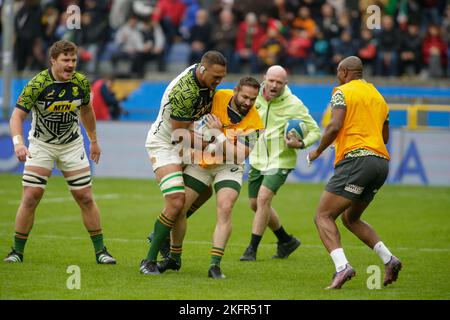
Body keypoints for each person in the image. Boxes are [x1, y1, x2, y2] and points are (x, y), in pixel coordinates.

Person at [4, 40, 116, 265]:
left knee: (84, 196)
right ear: (53, 61)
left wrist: (93, 140)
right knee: (31, 196)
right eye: (66, 60)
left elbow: (86, 111)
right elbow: (17, 117)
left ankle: (101, 251)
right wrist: (18, 143)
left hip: (72, 145)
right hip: (41, 145)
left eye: (73, 60)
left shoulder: (81, 83)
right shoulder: (37, 84)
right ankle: (16, 251)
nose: (71, 65)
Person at [307, 56, 402, 289]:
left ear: (345, 71)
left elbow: (335, 125)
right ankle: (390, 259)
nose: (338, 76)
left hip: (357, 160)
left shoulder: (342, 91)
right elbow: (385, 137)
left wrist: (317, 151)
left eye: (339, 72)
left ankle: (342, 268)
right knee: (350, 218)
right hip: (380, 163)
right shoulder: (378, 96)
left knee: (323, 216)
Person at [157, 77, 264, 279]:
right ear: (235, 91)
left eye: (253, 99)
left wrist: (217, 133)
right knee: (179, 208)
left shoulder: (255, 122)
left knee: (225, 207)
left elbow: (238, 155)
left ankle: (215, 265)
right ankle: (174, 258)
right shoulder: (216, 97)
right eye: (245, 97)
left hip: (229, 166)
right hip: (202, 162)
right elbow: (191, 117)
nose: (248, 103)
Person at [141, 50, 227, 275]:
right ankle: (148, 261)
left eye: (222, 77)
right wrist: (216, 143)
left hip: (185, 138)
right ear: (202, 69)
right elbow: (179, 135)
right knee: (177, 200)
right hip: (166, 143)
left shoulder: (206, 82)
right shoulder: (184, 91)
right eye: (215, 77)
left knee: (205, 191)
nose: (218, 82)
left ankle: (163, 230)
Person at [240, 65, 321, 261]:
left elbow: (315, 131)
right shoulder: (253, 97)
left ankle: (251, 249)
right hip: (257, 159)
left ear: (286, 84)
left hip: (281, 159)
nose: (274, 85)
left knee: (263, 199)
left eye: (279, 82)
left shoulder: (294, 104)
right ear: (264, 79)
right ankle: (286, 240)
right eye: (271, 81)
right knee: (255, 204)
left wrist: (301, 143)